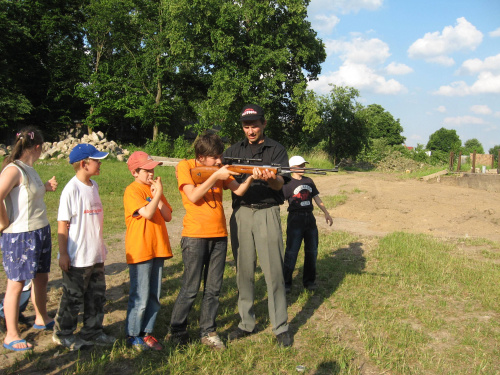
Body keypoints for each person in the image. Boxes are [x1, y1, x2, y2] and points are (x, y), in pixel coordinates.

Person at [168, 132, 256, 351]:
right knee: (190, 287)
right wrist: (217, 176)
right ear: (200, 156)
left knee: (214, 288)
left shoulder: (220, 169)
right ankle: (177, 331)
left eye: (220, 156)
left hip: (219, 235)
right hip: (195, 235)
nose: (219, 161)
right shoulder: (185, 166)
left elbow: (239, 189)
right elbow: (194, 196)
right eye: (214, 157)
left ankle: (208, 331)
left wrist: (254, 175)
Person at [223, 104, 292, 347]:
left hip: (267, 212)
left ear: (263, 124)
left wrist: (271, 178)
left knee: (274, 271)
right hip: (241, 213)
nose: (250, 130)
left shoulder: (276, 149)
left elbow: (281, 184)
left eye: (254, 125)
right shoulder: (232, 151)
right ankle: (246, 323)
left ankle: (280, 326)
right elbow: (221, 178)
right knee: (243, 271)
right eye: (246, 126)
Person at [52, 143, 116, 351]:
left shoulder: (94, 186)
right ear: (83, 163)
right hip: (78, 256)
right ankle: (63, 333)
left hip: (95, 254)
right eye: (97, 160)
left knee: (96, 295)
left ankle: (93, 330)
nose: (100, 164)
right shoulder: (71, 189)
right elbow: (63, 223)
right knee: (73, 298)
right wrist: (63, 254)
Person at [0, 127, 58, 351]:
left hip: (40, 230)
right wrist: (3, 223)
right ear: (37, 147)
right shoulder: (13, 169)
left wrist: (45, 188)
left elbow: (26, 194)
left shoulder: (29, 169)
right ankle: (11, 334)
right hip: (21, 236)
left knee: (41, 278)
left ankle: (41, 318)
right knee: (16, 284)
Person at [123, 151, 173, 351]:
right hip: (140, 250)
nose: (151, 173)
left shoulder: (154, 190)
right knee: (140, 296)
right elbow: (148, 213)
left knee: (154, 295)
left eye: (153, 169)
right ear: (135, 172)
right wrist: (157, 194)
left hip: (157, 248)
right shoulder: (132, 191)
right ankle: (133, 334)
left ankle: (147, 333)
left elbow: (167, 215)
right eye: (146, 170)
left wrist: (157, 194)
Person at [282, 155, 333, 293]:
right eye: (300, 166)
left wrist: (326, 212)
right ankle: (286, 283)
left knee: (312, 251)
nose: (303, 168)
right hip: (295, 219)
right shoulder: (287, 183)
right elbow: (279, 199)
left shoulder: (309, 181)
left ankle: (309, 281)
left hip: (310, 219)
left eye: (304, 165)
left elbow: (316, 197)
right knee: (292, 252)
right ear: (292, 168)